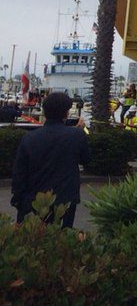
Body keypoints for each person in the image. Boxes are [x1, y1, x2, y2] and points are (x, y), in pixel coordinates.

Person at [10, 92, 90, 228]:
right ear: (66, 112)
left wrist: (19, 201)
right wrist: (80, 130)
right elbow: (86, 160)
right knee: (61, 242)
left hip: (33, 200)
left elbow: (19, 173)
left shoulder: (29, 138)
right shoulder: (76, 135)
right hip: (65, 201)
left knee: (33, 241)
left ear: (44, 112)